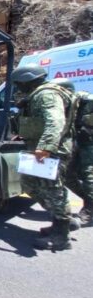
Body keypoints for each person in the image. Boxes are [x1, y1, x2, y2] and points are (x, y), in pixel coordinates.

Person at [13, 64, 77, 251]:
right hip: (40, 149)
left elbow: (55, 121)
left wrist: (46, 147)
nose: (18, 87)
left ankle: (61, 236)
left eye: (18, 83)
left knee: (53, 190)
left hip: (50, 150)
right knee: (29, 183)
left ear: (27, 80)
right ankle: (61, 220)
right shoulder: (39, 94)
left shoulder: (46, 94)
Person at [49, 78, 93, 226]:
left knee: (88, 175)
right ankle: (89, 200)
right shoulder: (63, 105)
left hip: (88, 144)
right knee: (68, 176)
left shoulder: (86, 100)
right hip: (76, 143)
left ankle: (90, 210)